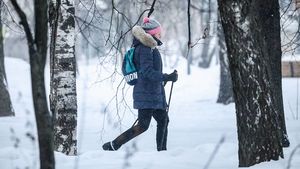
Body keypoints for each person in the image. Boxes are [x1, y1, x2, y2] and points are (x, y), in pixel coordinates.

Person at [102, 17, 178, 151]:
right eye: (158, 32)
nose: (160, 35)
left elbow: (150, 72)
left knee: (163, 120)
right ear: (151, 33)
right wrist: (166, 76)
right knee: (143, 125)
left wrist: (165, 78)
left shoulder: (150, 48)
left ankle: (162, 151)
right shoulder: (144, 48)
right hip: (147, 94)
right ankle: (115, 144)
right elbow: (146, 72)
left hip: (153, 94)